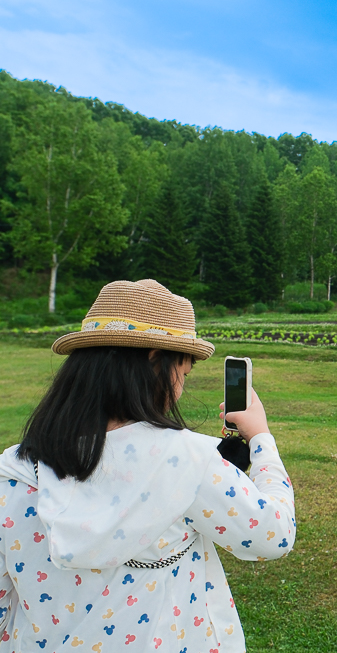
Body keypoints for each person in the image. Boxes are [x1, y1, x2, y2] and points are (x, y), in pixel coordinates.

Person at [0, 279, 295, 652]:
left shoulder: (13, 472)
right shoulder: (188, 463)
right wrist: (261, 439)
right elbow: (275, 534)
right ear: (156, 359)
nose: (182, 386)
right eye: (183, 373)